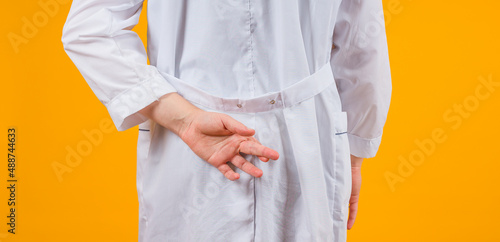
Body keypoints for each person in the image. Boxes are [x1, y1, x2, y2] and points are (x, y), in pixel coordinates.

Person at [61, 0, 392, 241]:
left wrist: (179, 116)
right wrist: (354, 153)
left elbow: (90, 29)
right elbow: (361, 43)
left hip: (187, 139)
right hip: (304, 137)